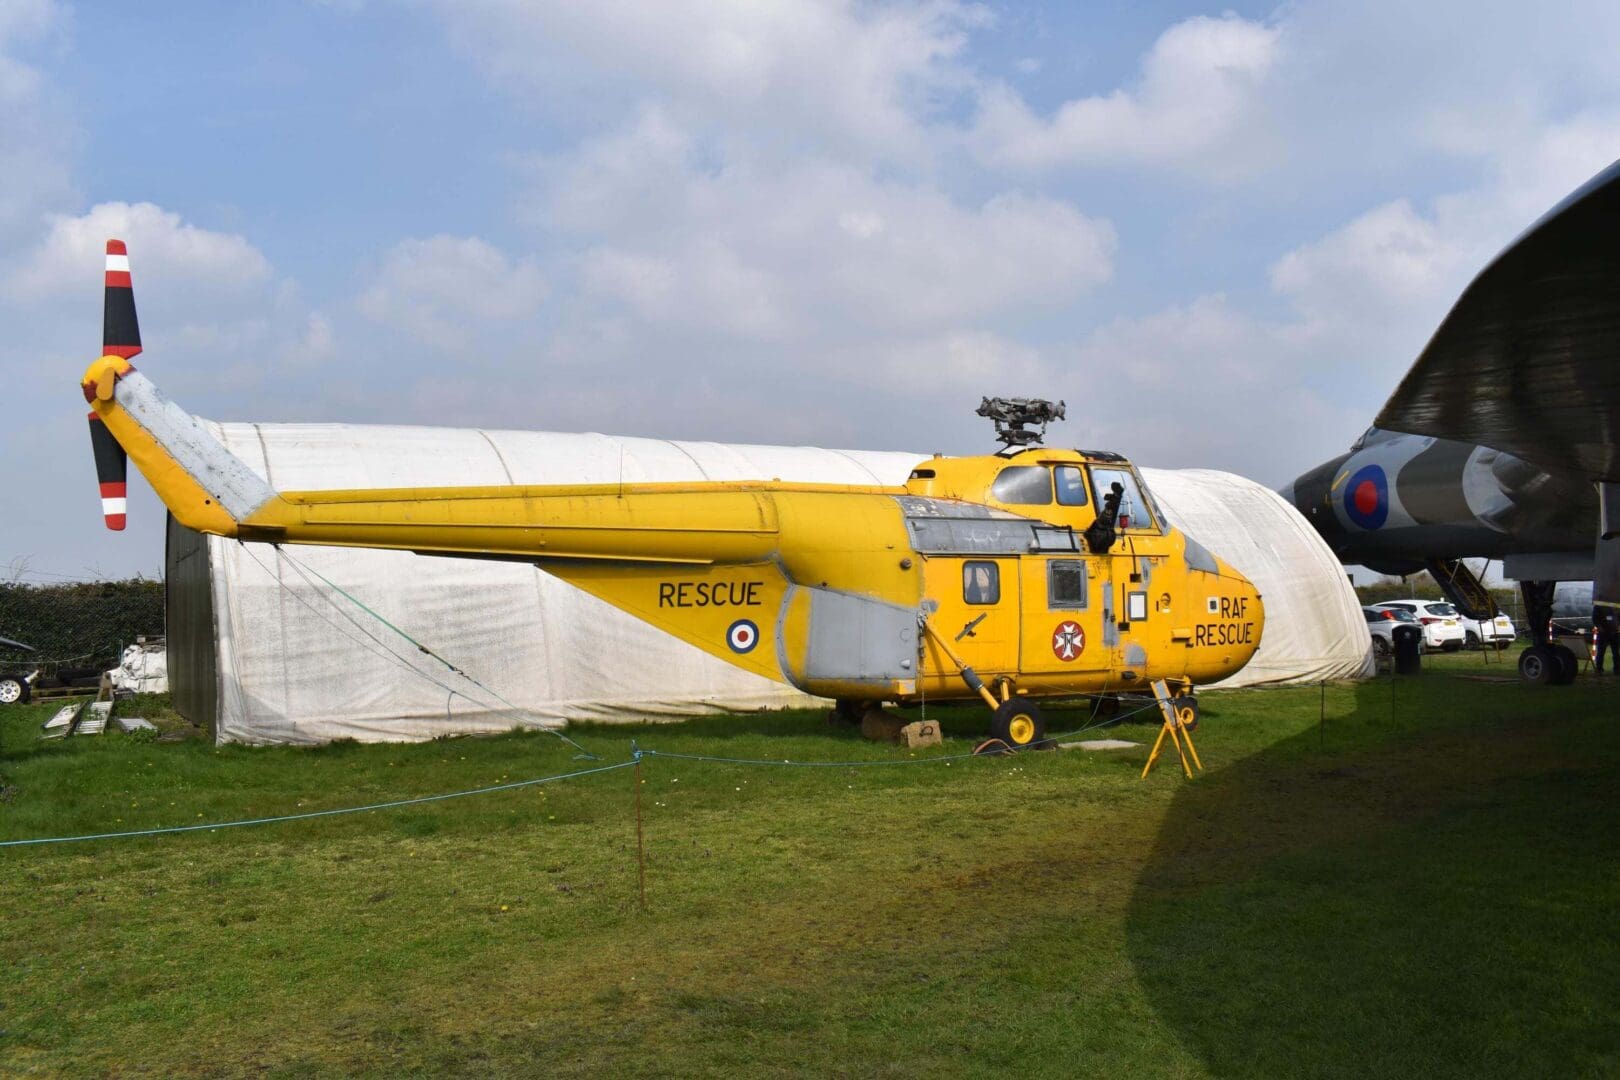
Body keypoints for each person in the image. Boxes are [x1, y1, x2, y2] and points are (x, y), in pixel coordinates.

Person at [1594, 604, 1620, 674]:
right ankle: (1599, 669)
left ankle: (1617, 669)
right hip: (1604, 633)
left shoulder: (1616, 606)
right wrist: (1600, 628)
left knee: (1616, 652)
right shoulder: (1599, 606)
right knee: (1601, 652)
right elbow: (1595, 618)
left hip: (1614, 632)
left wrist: (1617, 626)